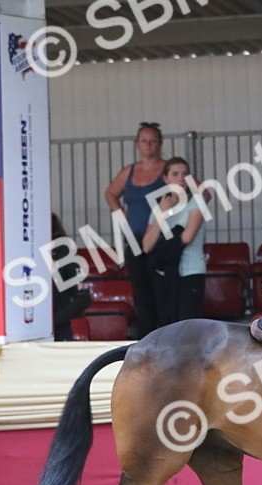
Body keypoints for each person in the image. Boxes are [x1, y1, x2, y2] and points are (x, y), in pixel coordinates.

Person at [104, 122, 166, 338]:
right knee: (140, 292)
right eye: (144, 141)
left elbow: (198, 191)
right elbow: (111, 193)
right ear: (137, 144)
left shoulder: (168, 169)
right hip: (133, 238)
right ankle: (145, 338)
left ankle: (165, 336)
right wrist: (121, 215)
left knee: (161, 291)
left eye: (153, 140)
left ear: (160, 144)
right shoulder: (129, 171)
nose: (148, 145)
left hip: (161, 239)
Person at [142, 157, 207, 326]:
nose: (180, 178)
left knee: (187, 326)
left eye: (185, 174)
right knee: (167, 326)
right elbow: (147, 246)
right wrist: (162, 213)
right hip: (166, 276)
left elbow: (187, 236)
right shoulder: (160, 207)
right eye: (175, 174)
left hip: (191, 271)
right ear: (166, 178)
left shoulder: (197, 201)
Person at [48, 214, 91, 342]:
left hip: (59, 333)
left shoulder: (64, 252)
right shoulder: (23, 253)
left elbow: (84, 298)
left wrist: (54, 321)